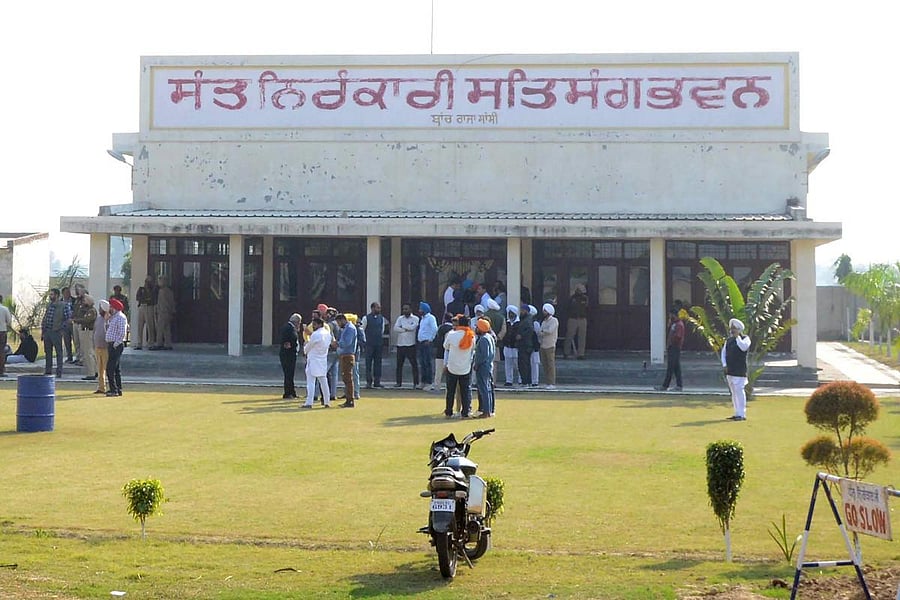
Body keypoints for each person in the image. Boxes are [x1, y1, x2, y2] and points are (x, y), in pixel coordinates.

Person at [443, 315, 476, 419]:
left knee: (450, 391)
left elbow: (446, 346)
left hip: (452, 366)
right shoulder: (471, 335)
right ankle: (465, 412)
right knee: (465, 391)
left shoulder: (451, 334)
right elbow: (473, 348)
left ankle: (449, 411)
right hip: (465, 367)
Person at [722, 318, 752, 421]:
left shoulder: (745, 339)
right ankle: (736, 412)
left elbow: (743, 347)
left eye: (734, 328)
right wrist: (724, 365)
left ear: (739, 330)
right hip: (730, 370)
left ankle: (742, 414)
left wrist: (738, 338)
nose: (732, 330)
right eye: (731, 329)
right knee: (734, 392)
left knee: (739, 391)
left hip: (739, 371)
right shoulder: (729, 341)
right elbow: (723, 353)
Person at [41, 288, 72, 378]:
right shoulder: (49, 305)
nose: (50, 296)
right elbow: (46, 317)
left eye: (52, 295)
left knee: (59, 352)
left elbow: (68, 319)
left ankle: (59, 372)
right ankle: (48, 370)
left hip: (57, 332)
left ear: (57, 295)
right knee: (48, 352)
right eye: (50, 295)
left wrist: (61, 329)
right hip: (47, 331)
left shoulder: (64, 305)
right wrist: (43, 331)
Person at [302, 317, 331, 409]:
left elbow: (308, 346)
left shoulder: (316, 334)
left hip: (313, 359)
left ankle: (309, 402)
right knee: (323, 381)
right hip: (322, 359)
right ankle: (327, 401)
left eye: (314, 325)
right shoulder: (328, 334)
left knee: (310, 382)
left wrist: (305, 349)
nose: (313, 326)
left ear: (319, 324)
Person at [656, 308, 686, 392]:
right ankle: (679, 385)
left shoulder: (679, 324)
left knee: (671, 367)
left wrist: (672, 343)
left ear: (674, 315)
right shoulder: (674, 324)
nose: (669, 316)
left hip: (675, 348)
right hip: (672, 348)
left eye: (670, 315)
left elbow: (678, 336)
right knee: (676, 368)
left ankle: (665, 386)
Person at [105, 298, 128, 396]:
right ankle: (118, 389)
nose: (109, 308)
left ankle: (113, 389)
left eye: (110, 307)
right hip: (112, 344)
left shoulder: (120, 317)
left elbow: (122, 333)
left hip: (116, 345)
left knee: (110, 368)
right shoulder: (114, 317)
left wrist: (115, 344)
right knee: (116, 369)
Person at [473, 318, 496, 418]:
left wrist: (476, 364)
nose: (476, 328)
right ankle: (489, 410)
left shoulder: (483, 339)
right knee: (488, 389)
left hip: (483, 367)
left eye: (477, 327)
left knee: (484, 389)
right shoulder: (489, 337)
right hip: (488, 365)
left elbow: (483, 355)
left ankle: (486, 411)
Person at [393, 303, 419, 388]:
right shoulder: (400, 318)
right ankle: (398, 382)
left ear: (410, 310)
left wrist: (403, 327)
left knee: (414, 364)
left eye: (406, 309)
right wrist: (405, 329)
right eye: (404, 309)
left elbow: (413, 328)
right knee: (399, 365)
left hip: (411, 344)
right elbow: (395, 328)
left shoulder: (415, 318)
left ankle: (416, 383)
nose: (405, 311)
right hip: (400, 344)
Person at [360, 302, 386, 388]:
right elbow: (362, 330)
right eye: (377, 308)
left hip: (378, 344)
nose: (379, 309)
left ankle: (377, 381)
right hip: (369, 344)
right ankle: (369, 382)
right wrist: (364, 341)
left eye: (379, 308)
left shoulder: (381, 318)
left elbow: (382, 330)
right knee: (368, 363)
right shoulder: (366, 318)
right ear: (372, 308)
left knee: (378, 363)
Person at [335, 313, 358, 407]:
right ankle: (348, 399)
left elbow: (347, 342)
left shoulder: (350, 329)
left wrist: (337, 343)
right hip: (345, 355)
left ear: (343, 320)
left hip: (348, 355)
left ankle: (350, 400)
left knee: (348, 378)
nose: (338, 324)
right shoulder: (347, 328)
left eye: (338, 322)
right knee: (346, 378)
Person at [75, 295, 98, 381]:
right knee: (88, 352)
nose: (83, 302)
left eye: (85, 300)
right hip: (84, 331)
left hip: (88, 331)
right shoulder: (84, 310)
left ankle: (91, 373)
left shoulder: (91, 311)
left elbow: (87, 320)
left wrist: (77, 320)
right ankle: (95, 371)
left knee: (88, 352)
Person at [279, 313, 302, 399]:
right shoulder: (288, 328)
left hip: (291, 354)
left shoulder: (291, 328)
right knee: (288, 374)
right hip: (288, 355)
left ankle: (292, 392)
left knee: (290, 374)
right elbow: (285, 339)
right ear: (296, 322)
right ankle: (288, 393)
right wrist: (287, 344)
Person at [416, 301, 438, 390]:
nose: (419, 310)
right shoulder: (422, 319)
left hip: (427, 343)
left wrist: (430, 339)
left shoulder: (431, 318)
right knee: (422, 363)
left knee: (427, 362)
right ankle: (423, 382)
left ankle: (429, 382)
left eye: (420, 309)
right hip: (421, 343)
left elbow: (434, 329)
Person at [564, 284, 589, 359]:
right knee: (569, 336)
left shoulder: (585, 298)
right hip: (573, 319)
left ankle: (581, 354)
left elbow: (587, 307)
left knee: (582, 337)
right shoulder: (572, 298)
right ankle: (566, 352)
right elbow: (567, 308)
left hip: (582, 319)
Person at [134, 276, 158, 350]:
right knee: (140, 326)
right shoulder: (141, 289)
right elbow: (138, 297)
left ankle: (151, 343)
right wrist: (146, 298)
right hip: (142, 306)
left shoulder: (153, 290)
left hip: (149, 307)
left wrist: (147, 298)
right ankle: (139, 343)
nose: (147, 283)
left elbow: (153, 299)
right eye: (146, 281)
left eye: (149, 282)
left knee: (150, 326)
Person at [539, 303, 559, 389]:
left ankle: (552, 383)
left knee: (551, 365)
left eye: (545, 310)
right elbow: (541, 331)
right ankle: (547, 382)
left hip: (550, 345)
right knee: (545, 364)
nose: (543, 312)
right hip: (543, 345)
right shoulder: (544, 321)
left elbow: (549, 331)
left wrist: (542, 332)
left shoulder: (554, 320)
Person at [153, 276, 176, 350]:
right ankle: (168, 344)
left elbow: (162, 303)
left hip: (163, 312)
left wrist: (157, 310)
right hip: (168, 312)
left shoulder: (162, 291)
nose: (158, 282)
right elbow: (172, 303)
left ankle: (159, 343)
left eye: (160, 281)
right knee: (167, 329)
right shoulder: (170, 291)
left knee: (160, 328)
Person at [93, 300, 110, 394]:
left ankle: (110, 387)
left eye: (100, 307)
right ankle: (101, 387)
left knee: (106, 368)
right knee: (99, 368)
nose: (99, 309)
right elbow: (95, 331)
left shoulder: (108, 319)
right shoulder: (98, 319)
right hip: (98, 346)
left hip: (106, 347)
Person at [501, 305, 520, 386]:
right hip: (507, 346)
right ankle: (509, 380)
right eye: (509, 313)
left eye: (512, 313)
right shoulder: (507, 323)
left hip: (515, 347)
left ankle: (520, 379)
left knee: (518, 365)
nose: (510, 315)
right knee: (508, 365)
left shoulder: (519, 323)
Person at [60, 286, 76, 363]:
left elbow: (76, 310)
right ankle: (69, 357)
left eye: (69, 292)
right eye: (66, 293)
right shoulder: (60, 302)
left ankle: (78, 357)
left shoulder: (74, 301)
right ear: (63, 294)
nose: (68, 294)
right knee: (67, 341)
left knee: (76, 340)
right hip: (64, 324)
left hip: (73, 323)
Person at [0, 295, 11, 377]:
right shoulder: (4, 309)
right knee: (1, 351)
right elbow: (9, 321)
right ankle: (1, 370)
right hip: (2, 332)